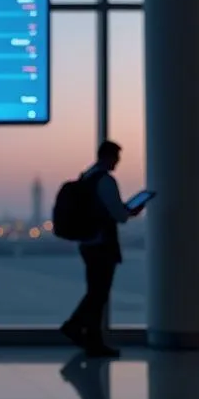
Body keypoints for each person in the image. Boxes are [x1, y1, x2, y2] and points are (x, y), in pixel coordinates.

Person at [60, 141, 144, 359]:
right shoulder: (105, 181)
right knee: (99, 294)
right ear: (108, 157)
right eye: (116, 158)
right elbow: (120, 215)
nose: (118, 162)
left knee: (95, 292)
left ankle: (86, 334)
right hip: (102, 243)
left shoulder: (86, 177)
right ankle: (81, 331)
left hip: (87, 242)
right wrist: (132, 211)